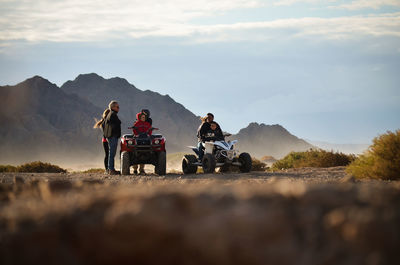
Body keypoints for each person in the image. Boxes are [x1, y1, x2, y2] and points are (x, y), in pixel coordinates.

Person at [103, 100, 121, 175]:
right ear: (113, 107)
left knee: (111, 153)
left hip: (111, 136)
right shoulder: (112, 114)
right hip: (112, 137)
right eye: (117, 107)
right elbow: (113, 125)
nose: (118, 108)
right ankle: (111, 169)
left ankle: (110, 169)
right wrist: (115, 134)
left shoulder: (110, 114)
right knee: (112, 153)